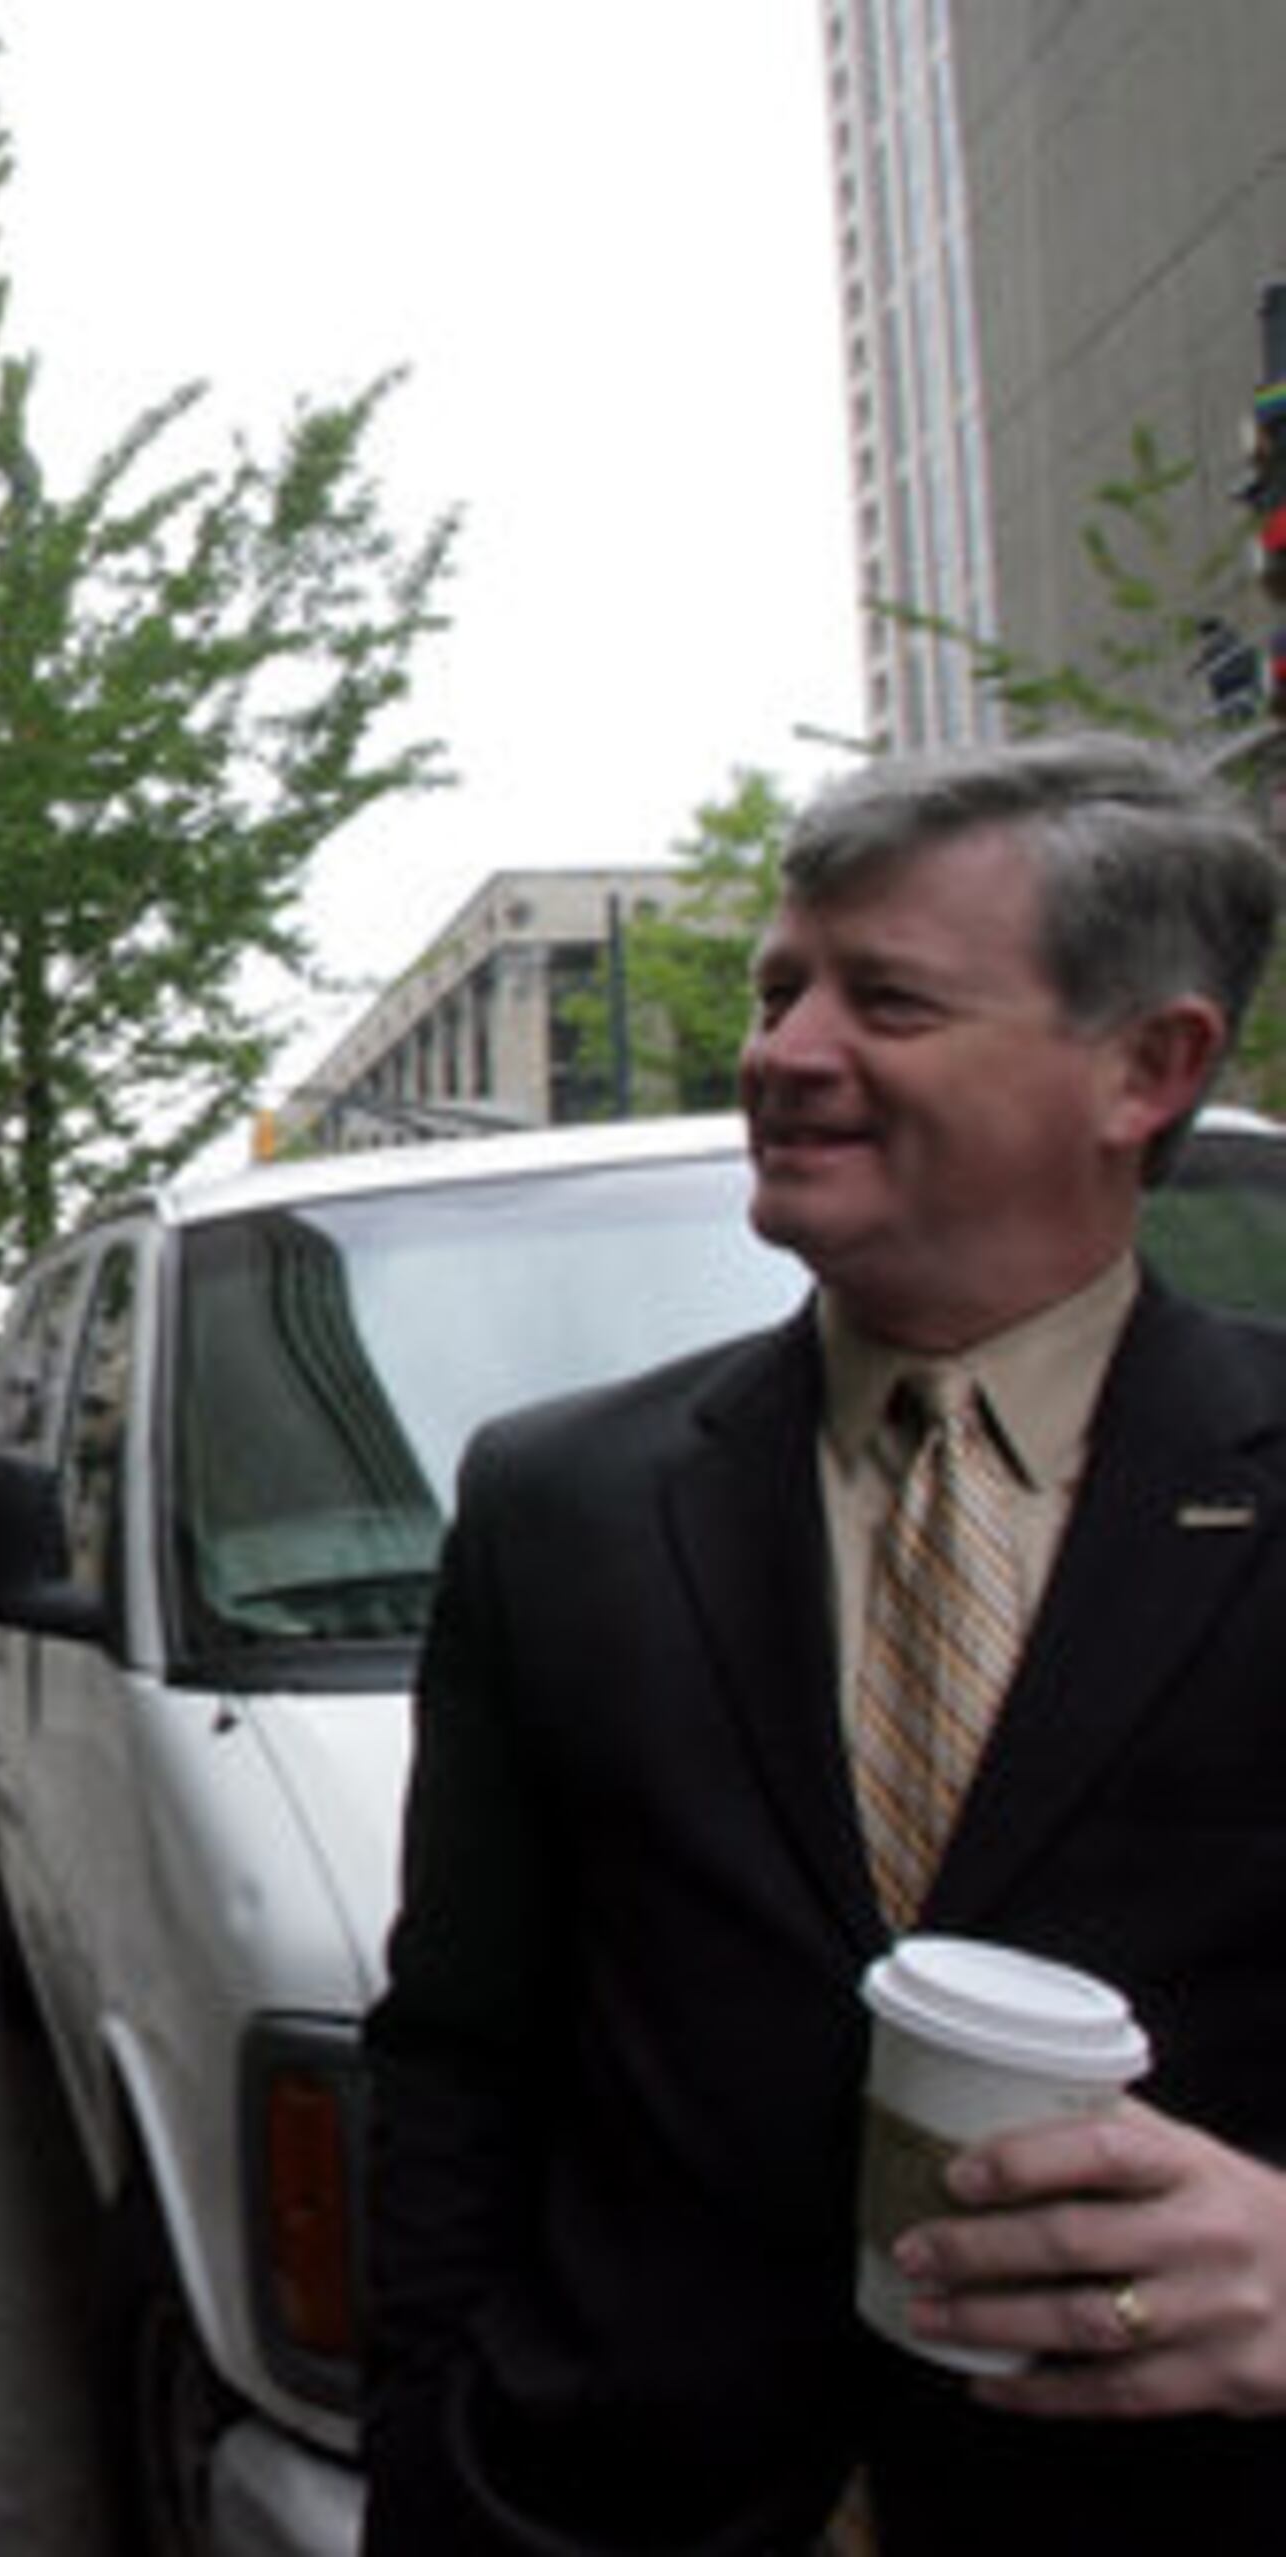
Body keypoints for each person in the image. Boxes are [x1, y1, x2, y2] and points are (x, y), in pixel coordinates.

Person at [367, 734, 1286, 2551]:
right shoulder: (566, 1499)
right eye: (784, 986)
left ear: (1147, 1065)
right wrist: (436, 2480)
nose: (782, 1052)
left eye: (888, 998)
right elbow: (460, 2056)